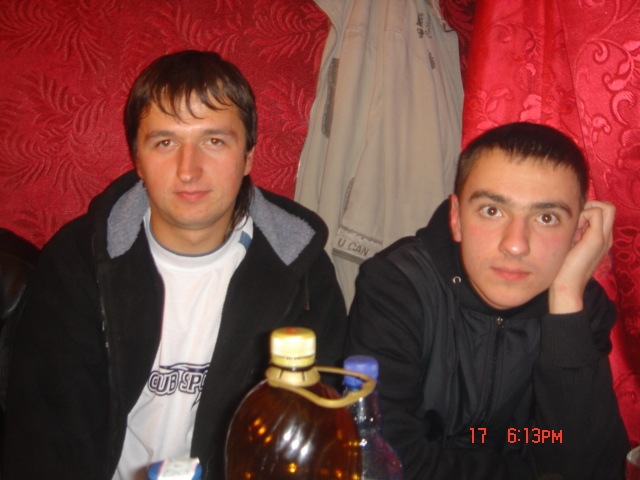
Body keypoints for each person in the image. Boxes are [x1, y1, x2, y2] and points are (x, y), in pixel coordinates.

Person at [1, 50, 347, 479]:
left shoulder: (303, 271)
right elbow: (44, 443)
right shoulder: (77, 263)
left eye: (214, 141)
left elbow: (312, 442)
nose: (189, 170)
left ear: (248, 157)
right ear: (138, 159)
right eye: (165, 142)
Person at [346, 122, 629, 479]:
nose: (515, 244)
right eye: (492, 210)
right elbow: (387, 461)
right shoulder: (398, 287)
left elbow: (591, 466)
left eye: (546, 218)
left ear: (578, 234)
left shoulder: (579, 309)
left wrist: (566, 301)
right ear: (456, 218)